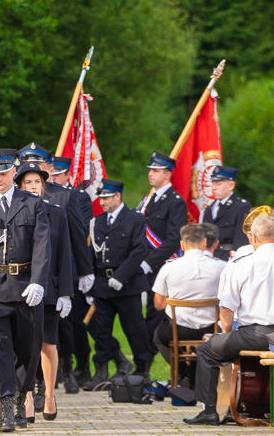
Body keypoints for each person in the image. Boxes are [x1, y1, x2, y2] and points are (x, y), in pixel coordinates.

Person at [185, 216, 274, 426]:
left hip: (254, 335)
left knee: (206, 351)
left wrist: (227, 333)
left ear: (252, 237)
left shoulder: (242, 264)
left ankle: (210, 411)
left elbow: (227, 308)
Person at [0, 151, 50, 432]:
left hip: (26, 285)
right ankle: (5, 407)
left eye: (3, 172)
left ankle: (21, 398)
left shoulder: (32, 204)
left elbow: (43, 246)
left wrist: (38, 281)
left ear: (13, 172)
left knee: (28, 349)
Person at [19, 145, 99, 387]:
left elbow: (77, 235)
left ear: (48, 167)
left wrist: (85, 270)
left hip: (56, 272)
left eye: (40, 163)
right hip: (25, 274)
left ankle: (66, 370)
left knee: (61, 327)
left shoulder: (63, 196)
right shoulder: (18, 195)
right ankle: (35, 380)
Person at [16, 161, 73, 420]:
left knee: (48, 344)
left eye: (37, 182)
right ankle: (27, 397)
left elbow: (64, 254)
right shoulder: (13, 211)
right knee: (25, 345)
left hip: (49, 289)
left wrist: (65, 293)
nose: (33, 186)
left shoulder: (57, 213)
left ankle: (49, 394)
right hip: (19, 288)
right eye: (27, 182)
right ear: (19, 185)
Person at [83, 179, 152, 388]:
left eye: (106, 197)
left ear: (117, 196)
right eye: (100, 197)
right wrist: (90, 279)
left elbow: (140, 249)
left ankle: (142, 369)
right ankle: (101, 371)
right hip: (103, 282)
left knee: (134, 328)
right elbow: (93, 252)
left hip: (127, 283)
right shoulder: (97, 221)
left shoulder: (134, 219)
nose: (102, 201)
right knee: (102, 330)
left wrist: (121, 276)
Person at [151, 223, 224, 388]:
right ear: (204, 243)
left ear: (182, 245)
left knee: (158, 337)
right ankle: (196, 374)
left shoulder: (169, 268)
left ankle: (183, 371)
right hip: (211, 329)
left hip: (180, 330)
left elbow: (159, 305)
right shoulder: (222, 267)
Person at [139, 151, 189, 374]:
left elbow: (172, 240)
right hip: (143, 265)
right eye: (150, 170)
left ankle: (147, 365)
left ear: (167, 175)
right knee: (140, 316)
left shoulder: (175, 202)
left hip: (160, 266)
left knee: (155, 315)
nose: (151, 174)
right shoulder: (149, 199)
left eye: (156, 171)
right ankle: (142, 364)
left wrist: (150, 262)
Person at [203, 166, 251, 261]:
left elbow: (241, 240)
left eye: (218, 184)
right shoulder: (210, 208)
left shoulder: (241, 207)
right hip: (209, 258)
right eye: (212, 183)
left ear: (231, 185)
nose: (213, 188)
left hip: (228, 258)